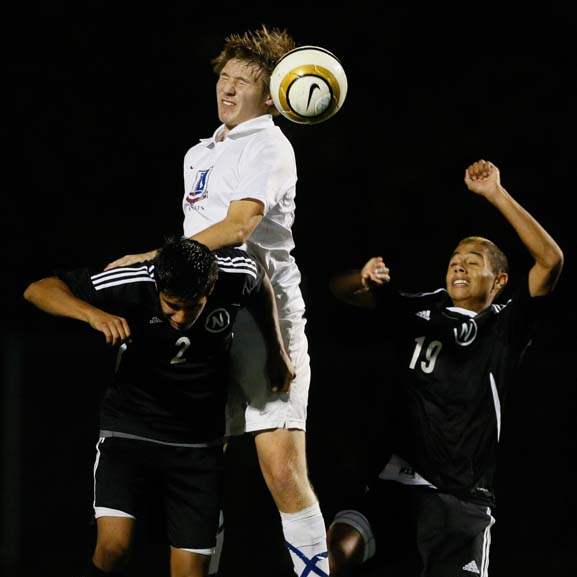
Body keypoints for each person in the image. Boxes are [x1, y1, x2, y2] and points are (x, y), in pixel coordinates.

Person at [105, 26, 330, 576]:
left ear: (272, 96)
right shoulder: (199, 152)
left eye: (243, 83)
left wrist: (153, 257)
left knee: (281, 470)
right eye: (224, 79)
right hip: (208, 320)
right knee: (202, 470)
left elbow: (240, 225)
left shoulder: (271, 145)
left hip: (265, 318)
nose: (228, 90)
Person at [326, 160, 564, 576]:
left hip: (462, 499)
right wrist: (360, 279)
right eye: (455, 259)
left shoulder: (504, 326)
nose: (459, 265)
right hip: (397, 485)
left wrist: (495, 194)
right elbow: (340, 292)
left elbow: (551, 260)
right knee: (336, 552)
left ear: (500, 281)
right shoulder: (420, 308)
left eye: (473, 261)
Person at [23, 236, 293, 577]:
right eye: (171, 306)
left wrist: (277, 348)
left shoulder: (234, 273)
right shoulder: (135, 280)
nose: (180, 317)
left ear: (210, 288)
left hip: (197, 444)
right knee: (112, 550)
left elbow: (261, 281)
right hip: (130, 431)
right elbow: (37, 289)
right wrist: (92, 314)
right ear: (157, 285)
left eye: (191, 306)